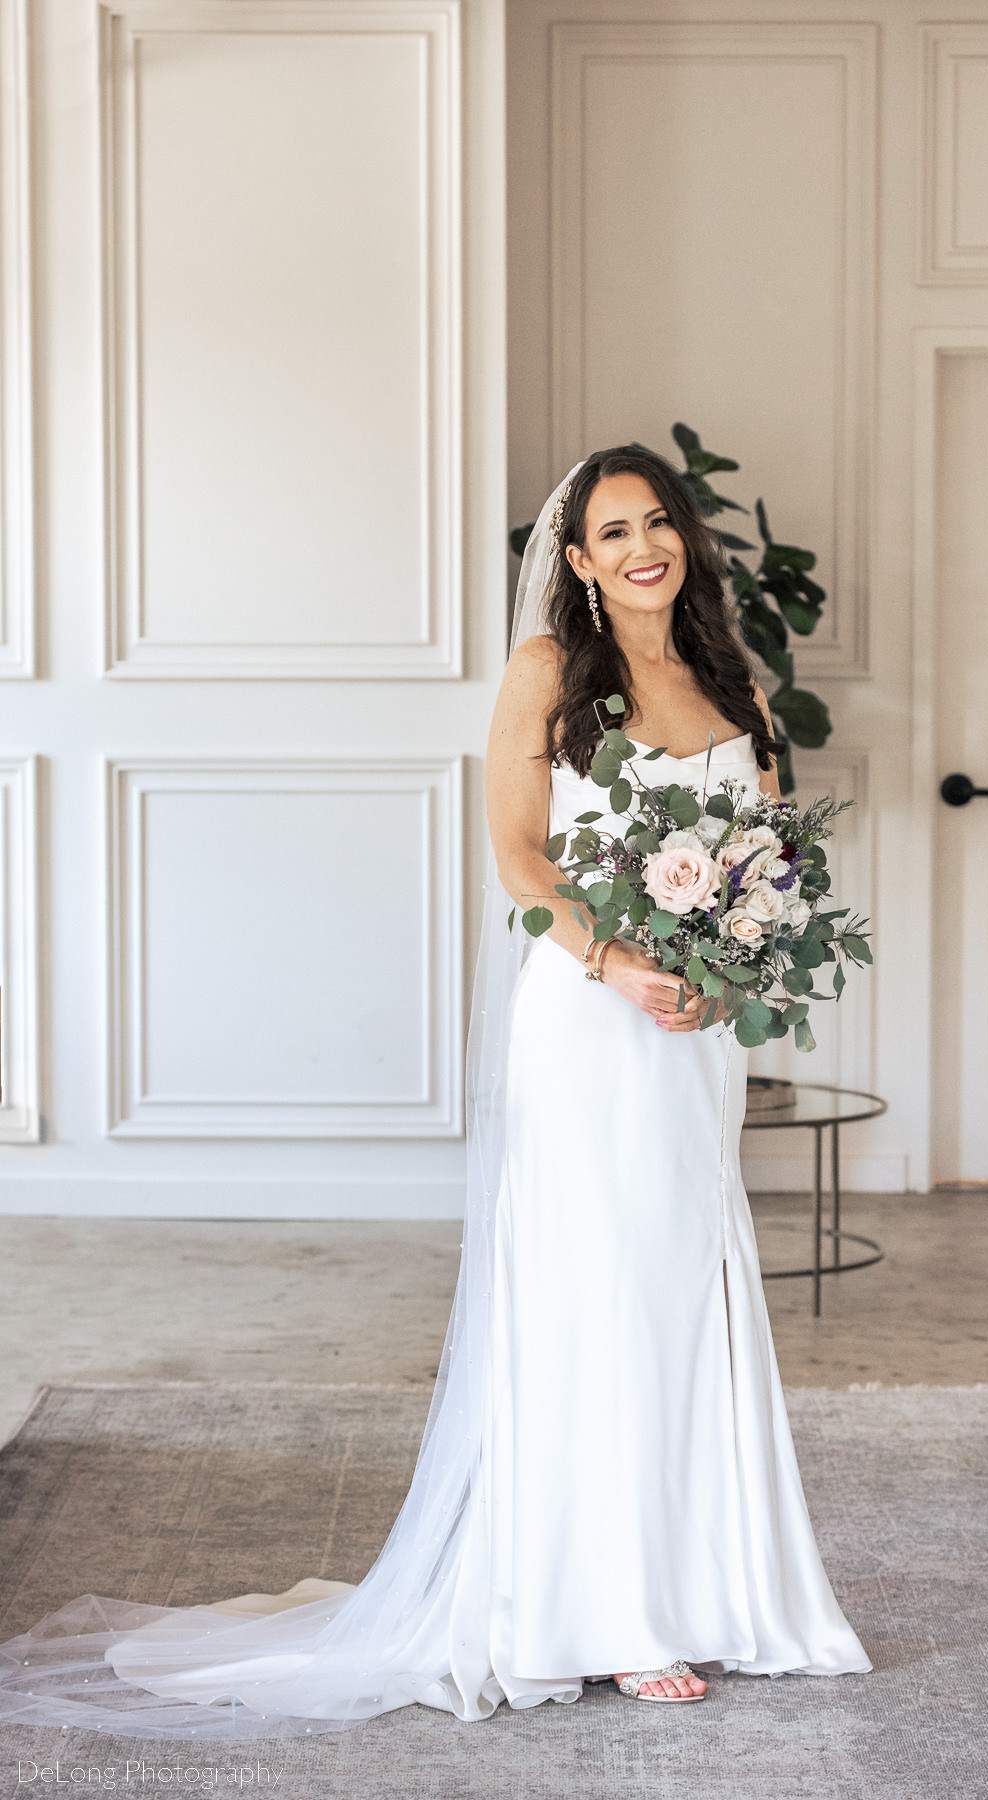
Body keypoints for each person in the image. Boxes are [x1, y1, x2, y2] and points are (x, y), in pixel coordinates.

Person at [0, 447, 869, 1741]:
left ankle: (716, 1585)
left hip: (696, 1029)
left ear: (685, 539)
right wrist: (622, 962)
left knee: (686, 1274)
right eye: (609, 531)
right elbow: (519, 854)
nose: (641, 546)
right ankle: (601, 1611)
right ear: (573, 561)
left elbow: (773, 857)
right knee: (592, 1283)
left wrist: (729, 963)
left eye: (656, 523)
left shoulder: (736, 679)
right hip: (588, 1013)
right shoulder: (545, 675)